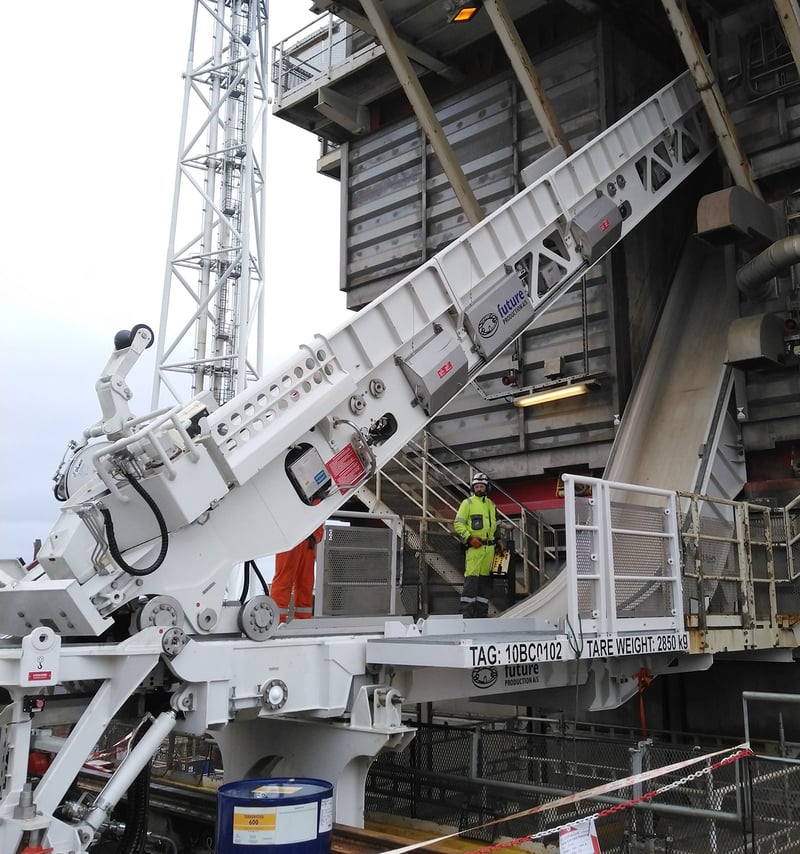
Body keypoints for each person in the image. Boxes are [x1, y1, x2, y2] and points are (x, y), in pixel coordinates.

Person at [453, 472, 504, 618]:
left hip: (489, 550)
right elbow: (458, 524)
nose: (479, 489)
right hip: (475, 549)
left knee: (485, 584)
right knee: (471, 583)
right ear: (473, 488)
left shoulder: (491, 505)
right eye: (477, 486)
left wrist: (499, 539)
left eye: (482, 486)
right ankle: (466, 615)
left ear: (487, 488)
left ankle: (481, 615)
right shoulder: (467, 503)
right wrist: (469, 538)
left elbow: (496, 525)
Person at [271, 524, 324, 623]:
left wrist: (316, 537)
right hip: (291, 539)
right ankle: (276, 621)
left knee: (306, 584)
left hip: (308, 541)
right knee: (284, 581)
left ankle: (303, 620)